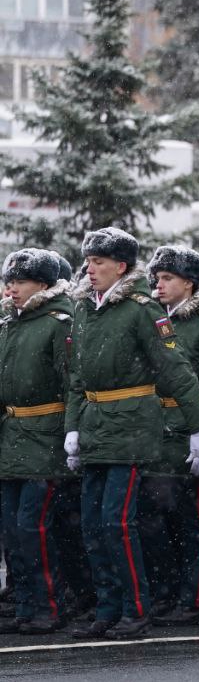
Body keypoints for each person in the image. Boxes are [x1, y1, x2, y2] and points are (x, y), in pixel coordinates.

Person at [65, 228, 199, 640]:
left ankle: (135, 609)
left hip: (131, 426)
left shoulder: (142, 309)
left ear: (122, 267)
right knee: (93, 525)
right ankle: (109, 607)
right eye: (89, 261)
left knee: (117, 523)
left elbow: (176, 370)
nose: (90, 269)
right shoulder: (85, 310)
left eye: (99, 262)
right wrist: (73, 428)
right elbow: (77, 376)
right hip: (96, 423)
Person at [141, 246, 199, 627]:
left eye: (167, 279)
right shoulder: (150, 321)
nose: (158, 286)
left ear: (189, 284)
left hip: (187, 436)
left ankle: (193, 597)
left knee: (191, 524)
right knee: (153, 524)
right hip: (153, 436)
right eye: (156, 279)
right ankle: (163, 593)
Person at [0, 249, 75, 635]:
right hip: (13, 438)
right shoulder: (11, 324)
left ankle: (49, 605)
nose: (11, 288)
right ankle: (25, 604)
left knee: (34, 528)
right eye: (8, 280)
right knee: (11, 530)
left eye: (20, 281)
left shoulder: (57, 323)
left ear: (43, 285)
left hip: (45, 438)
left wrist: (71, 435)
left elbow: (71, 385)